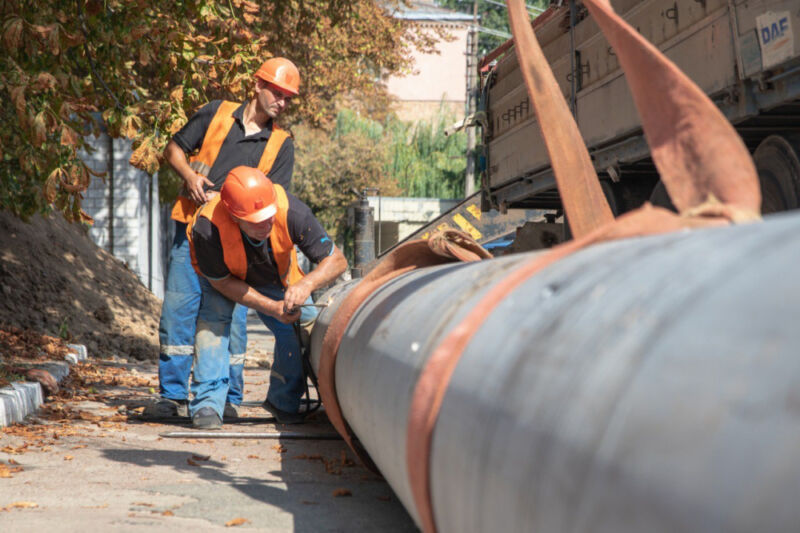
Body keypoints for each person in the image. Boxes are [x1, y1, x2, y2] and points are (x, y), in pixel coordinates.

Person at [147, 58, 301, 419]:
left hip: (233, 244)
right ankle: (171, 396)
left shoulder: (281, 144)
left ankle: (228, 397)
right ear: (257, 86)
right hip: (189, 227)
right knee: (178, 313)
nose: (282, 101)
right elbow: (173, 148)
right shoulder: (216, 113)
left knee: (227, 320)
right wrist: (189, 176)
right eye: (277, 93)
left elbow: (272, 200)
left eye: (288, 97)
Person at [186, 165, 347, 429]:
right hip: (223, 277)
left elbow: (337, 260)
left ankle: (283, 402)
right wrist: (272, 307)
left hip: (273, 276)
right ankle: (207, 404)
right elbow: (224, 283)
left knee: (301, 323)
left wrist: (306, 285)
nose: (266, 224)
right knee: (213, 325)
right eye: (256, 220)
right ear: (235, 216)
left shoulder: (292, 211)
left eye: (268, 216)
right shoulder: (208, 228)